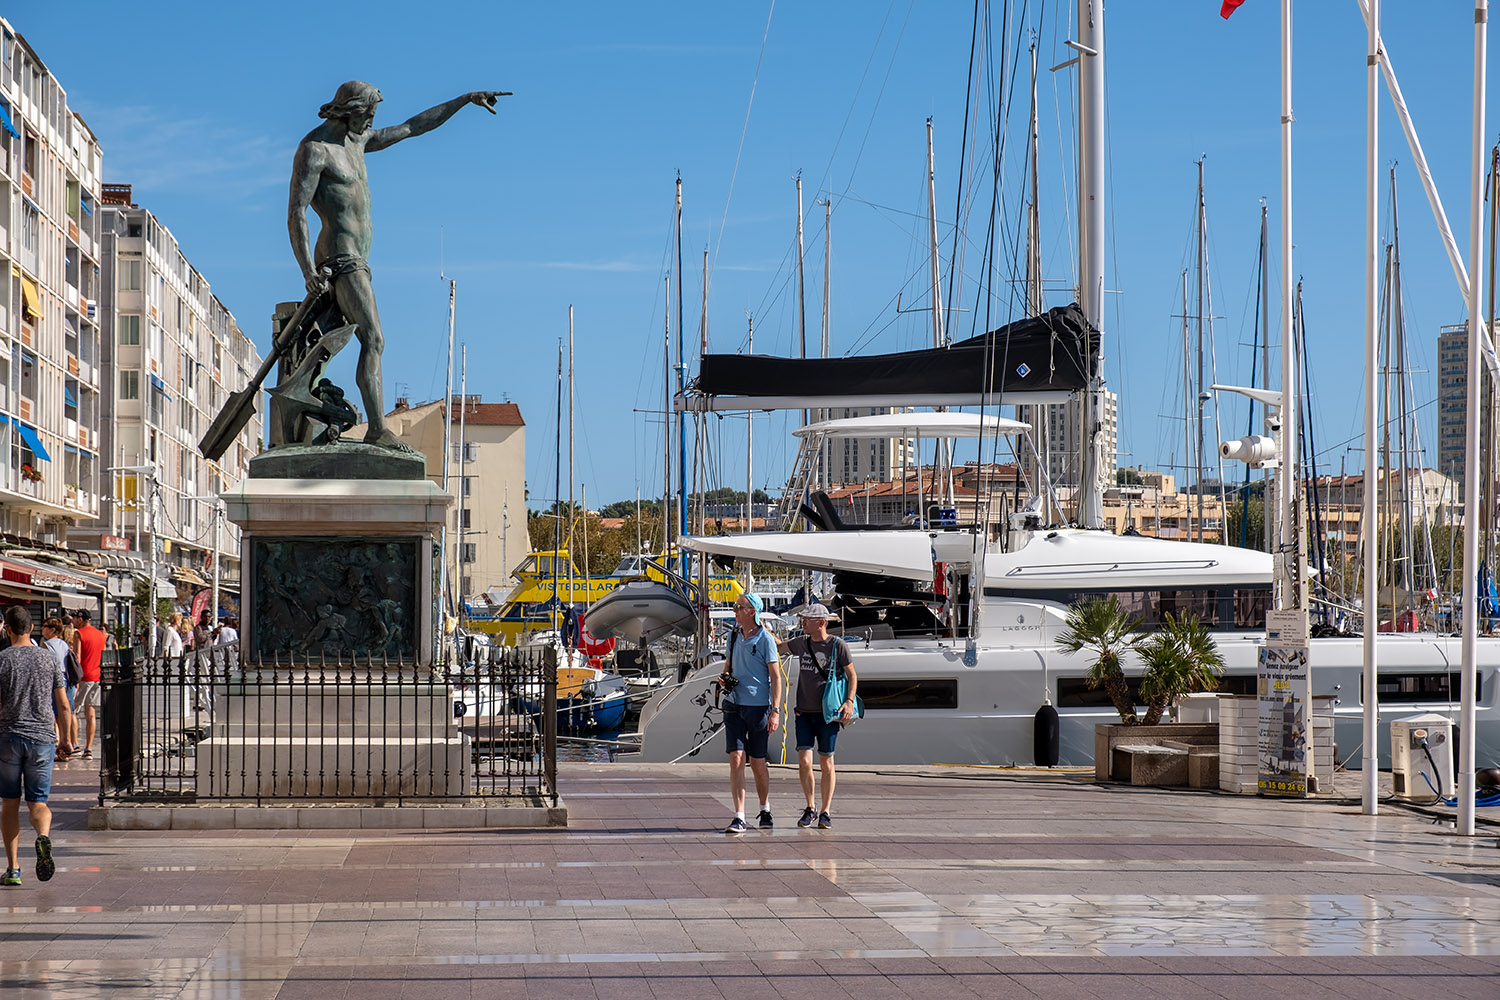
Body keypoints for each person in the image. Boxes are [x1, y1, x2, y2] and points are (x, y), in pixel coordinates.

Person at [288, 81, 505, 449]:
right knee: (373, 338)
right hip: (340, 261)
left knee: (336, 346)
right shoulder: (315, 150)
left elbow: (412, 127)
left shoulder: (357, 142)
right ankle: (377, 427)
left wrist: (465, 100)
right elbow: (296, 213)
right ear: (348, 110)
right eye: (366, 115)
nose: (371, 121)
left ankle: (325, 414)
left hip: (360, 261)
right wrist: (308, 271)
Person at [0, 604, 72, 886]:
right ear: (31, 628)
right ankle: (43, 837)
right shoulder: (49, 659)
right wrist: (65, 739)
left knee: (9, 803)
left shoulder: (2, 659)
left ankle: (14, 868)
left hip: (8, 737)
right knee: (38, 802)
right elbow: (63, 704)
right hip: (43, 738)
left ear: (7, 629)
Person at [776, 603, 858, 830]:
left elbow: (852, 675)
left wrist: (849, 702)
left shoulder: (837, 646)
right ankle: (810, 807)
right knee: (804, 761)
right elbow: (780, 648)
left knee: (827, 762)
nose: (803, 623)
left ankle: (826, 811)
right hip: (803, 712)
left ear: (821, 622)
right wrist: (761, 629)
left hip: (828, 714)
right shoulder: (801, 643)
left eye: (807, 620)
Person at [719, 592, 781, 834]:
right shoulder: (733, 635)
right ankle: (739, 816)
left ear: (751, 612)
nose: (734, 610)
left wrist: (775, 711)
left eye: (738, 607)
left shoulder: (765, 640)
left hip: (758, 707)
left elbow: (776, 678)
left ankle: (765, 808)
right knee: (736, 759)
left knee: (757, 762)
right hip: (733, 704)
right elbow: (727, 667)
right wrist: (724, 679)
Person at [69, 609, 105, 761]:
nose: (73, 620)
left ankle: (75, 745)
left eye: (75, 618)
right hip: (97, 676)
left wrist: (74, 678)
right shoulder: (100, 635)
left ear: (81, 619)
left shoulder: (79, 633)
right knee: (90, 713)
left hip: (84, 676)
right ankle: (88, 749)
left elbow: (77, 656)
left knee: (72, 710)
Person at [40, 620, 76, 759]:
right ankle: (67, 743)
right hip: (67, 679)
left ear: (52, 630)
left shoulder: (46, 645)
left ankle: (59, 743)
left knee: (55, 713)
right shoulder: (64, 644)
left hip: (54, 680)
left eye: (45, 627)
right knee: (66, 711)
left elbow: (43, 666)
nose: (42, 629)